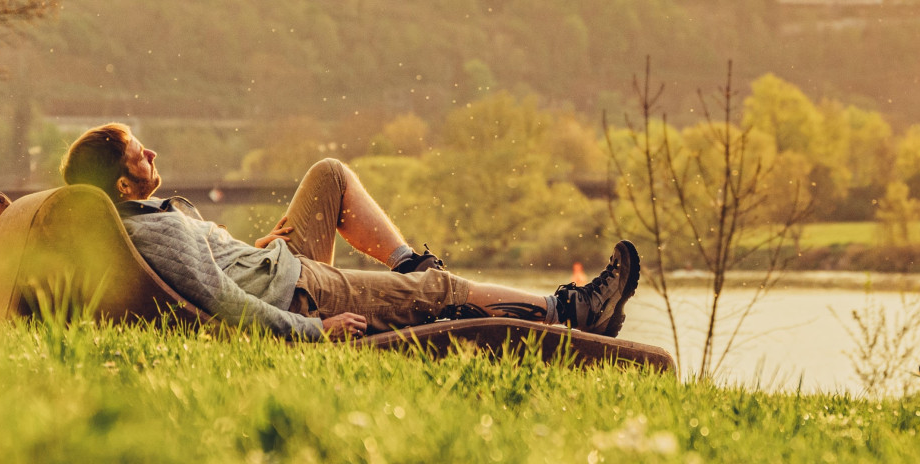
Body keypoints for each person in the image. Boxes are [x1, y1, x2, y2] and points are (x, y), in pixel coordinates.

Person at [59, 123, 640, 342]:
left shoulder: (132, 224)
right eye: (138, 153)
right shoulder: (155, 234)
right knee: (438, 297)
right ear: (121, 184)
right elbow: (223, 304)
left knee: (329, 177)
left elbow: (219, 277)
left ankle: (410, 265)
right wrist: (313, 329)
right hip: (295, 293)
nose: (151, 151)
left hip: (269, 267)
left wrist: (250, 250)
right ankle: (572, 311)